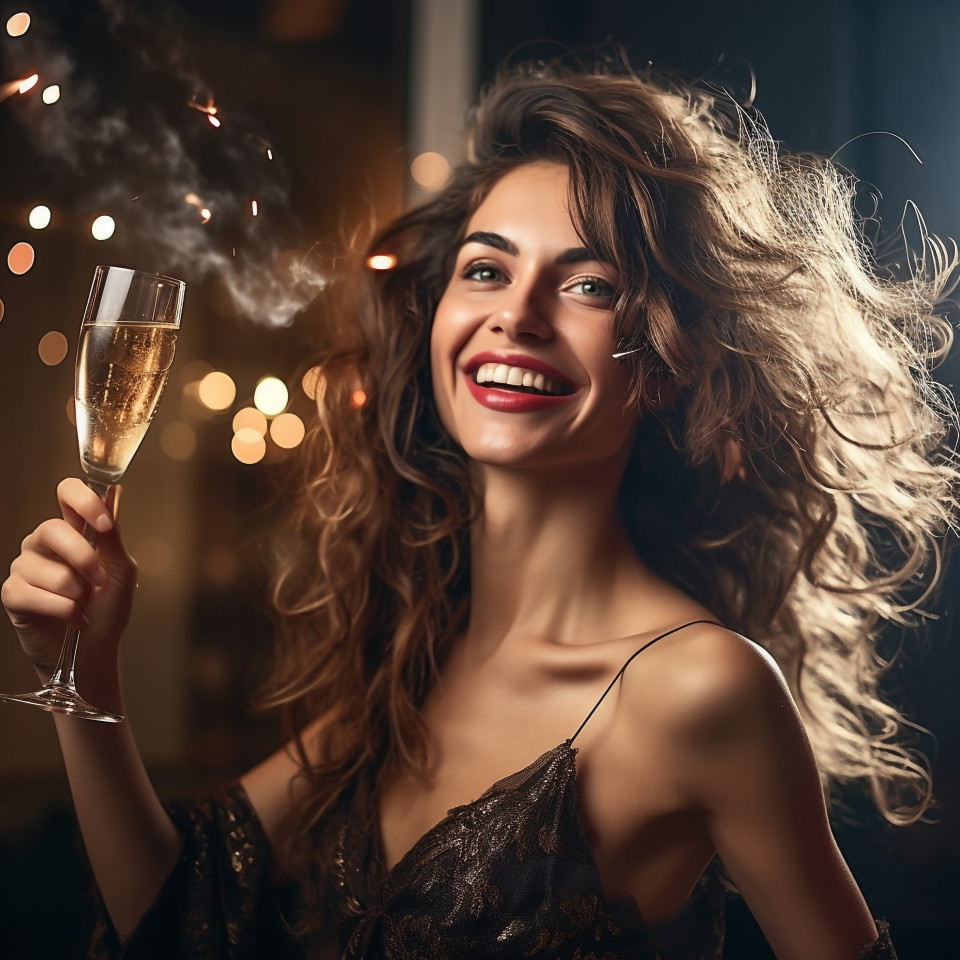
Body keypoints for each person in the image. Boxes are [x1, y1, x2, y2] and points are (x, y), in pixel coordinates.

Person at [3, 57, 957, 960]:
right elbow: (180, 918)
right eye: (487, 269)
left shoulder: (700, 691)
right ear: (439, 318)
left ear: (667, 364)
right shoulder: (420, 649)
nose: (518, 314)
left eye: (590, 284)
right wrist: (86, 675)